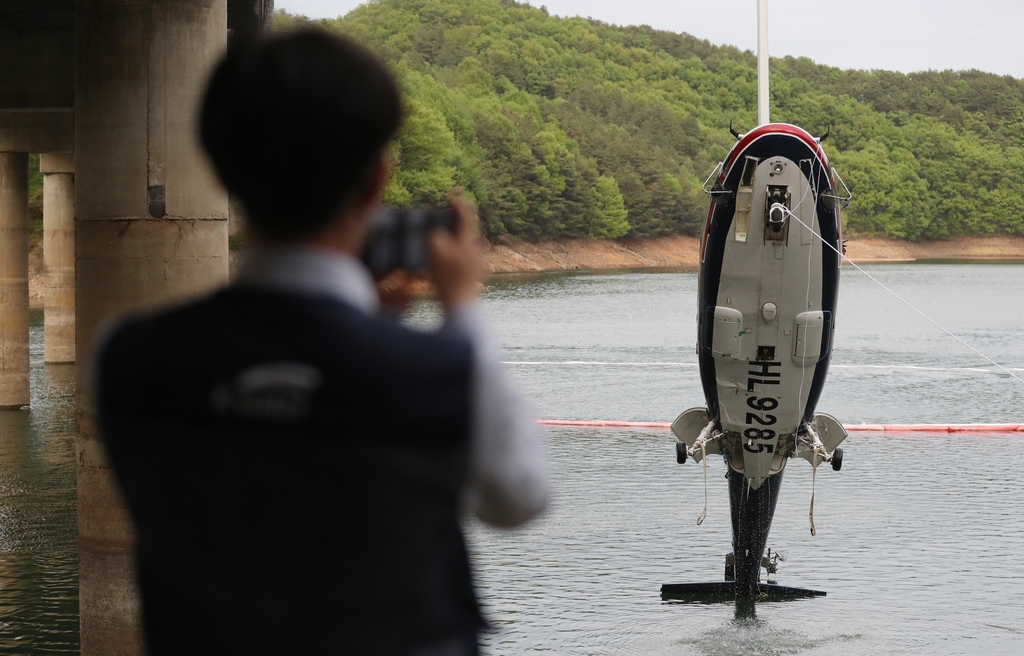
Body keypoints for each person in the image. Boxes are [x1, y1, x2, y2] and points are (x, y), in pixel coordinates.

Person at [95, 30, 548, 656]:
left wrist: (362, 320)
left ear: (223, 171)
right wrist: (462, 305)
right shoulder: (430, 369)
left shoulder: (129, 358)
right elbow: (519, 496)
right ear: (375, 181)